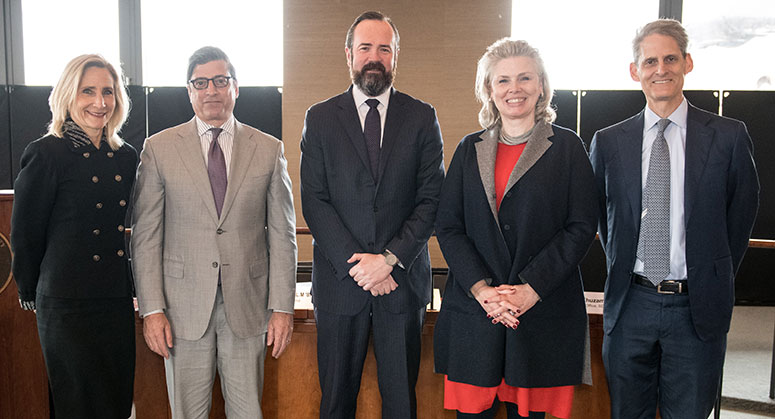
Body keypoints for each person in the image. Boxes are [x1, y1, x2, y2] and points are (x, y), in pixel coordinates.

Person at [590, 19, 760, 419]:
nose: (660, 69)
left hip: (696, 308)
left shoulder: (729, 136)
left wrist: (711, 273)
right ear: (635, 71)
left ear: (688, 63)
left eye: (670, 59)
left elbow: (741, 215)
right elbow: (602, 215)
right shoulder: (610, 142)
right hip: (631, 303)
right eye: (650, 61)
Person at [433, 38, 598, 419]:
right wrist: (483, 291)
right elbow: (449, 225)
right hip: (477, 314)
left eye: (525, 78)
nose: (514, 88)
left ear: (541, 85)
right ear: (489, 90)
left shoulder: (568, 148)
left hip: (542, 314)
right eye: (503, 80)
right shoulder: (467, 148)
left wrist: (530, 290)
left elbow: (580, 225)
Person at [131, 46, 297, 419]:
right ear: (189, 91)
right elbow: (146, 237)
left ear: (235, 88)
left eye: (221, 81)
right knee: (187, 413)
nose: (212, 91)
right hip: (181, 310)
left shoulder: (269, 150)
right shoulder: (158, 149)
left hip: (248, 307)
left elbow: (283, 236)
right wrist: (152, 310)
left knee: (247, 412)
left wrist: (282, 307)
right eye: (201, 83)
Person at [300, 11, 444, 419]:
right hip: (340, 286)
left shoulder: (421, 117)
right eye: (365, 47)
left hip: (400, 284)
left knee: (401, 404)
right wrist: (360, 267)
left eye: (385, 48)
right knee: (335, 403)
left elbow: (431, 198)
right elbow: (315, 200)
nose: (374, 57)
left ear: (396, 56)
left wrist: (388, 261)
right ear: (349, 55)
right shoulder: (321, 117)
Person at [10, 54, 136, 418]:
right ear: (68, 95)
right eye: (88, 91)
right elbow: (25, 232)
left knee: (115, 401)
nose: (100, 102)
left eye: (108, 92)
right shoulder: (46, 153)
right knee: (78, 404)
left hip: (113, 299)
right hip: (66, 302)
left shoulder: (125, 156)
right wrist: (29, 289)